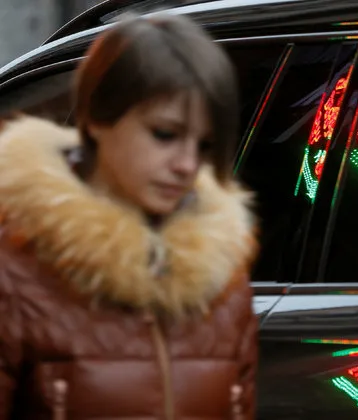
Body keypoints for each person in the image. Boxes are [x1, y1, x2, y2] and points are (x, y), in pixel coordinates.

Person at [0, 13, 258, 420]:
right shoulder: (14, 275)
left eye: (205, 144)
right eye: (164, 134)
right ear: (98, 117)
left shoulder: (222, 280)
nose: (187, 164)